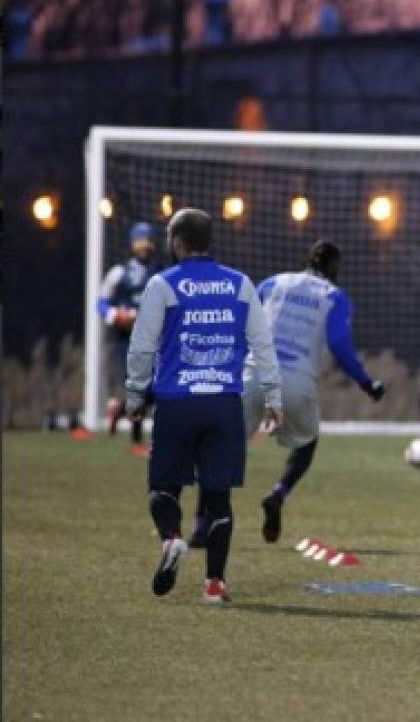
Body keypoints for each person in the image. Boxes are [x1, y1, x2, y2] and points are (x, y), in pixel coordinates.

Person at [125, 208, 281, 605]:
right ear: (210, 241)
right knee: (218, 498)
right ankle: (215, 584)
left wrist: (134, 395)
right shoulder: (240, 284)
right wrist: (274, 397)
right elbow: (263, 346)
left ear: (177, 242)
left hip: (177, 402)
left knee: (163, 487)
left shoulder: (163, 284)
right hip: (224, 404)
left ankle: (173, 539)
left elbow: (142, 345)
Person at [236, 239, 385, 547]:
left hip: (253, 376)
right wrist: (367, 383)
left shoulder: (272, 283)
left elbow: (242, 325)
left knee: (224, 450)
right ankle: (279, 493)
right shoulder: (334, 296)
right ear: (332, 267)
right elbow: (340, 346)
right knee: (307, 442)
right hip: (296, 384)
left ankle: (203, 524)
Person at [98, 222, 159, 444]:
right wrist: (116, 315)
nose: (145, 246)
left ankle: (119, 409)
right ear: (133, 243)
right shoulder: (119, 273)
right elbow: (101, 303)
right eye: (141, 241)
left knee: (153, 391)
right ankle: (136, 440)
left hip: (154, 340)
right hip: (127, 340)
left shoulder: (161, 273)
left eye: (148, 241)